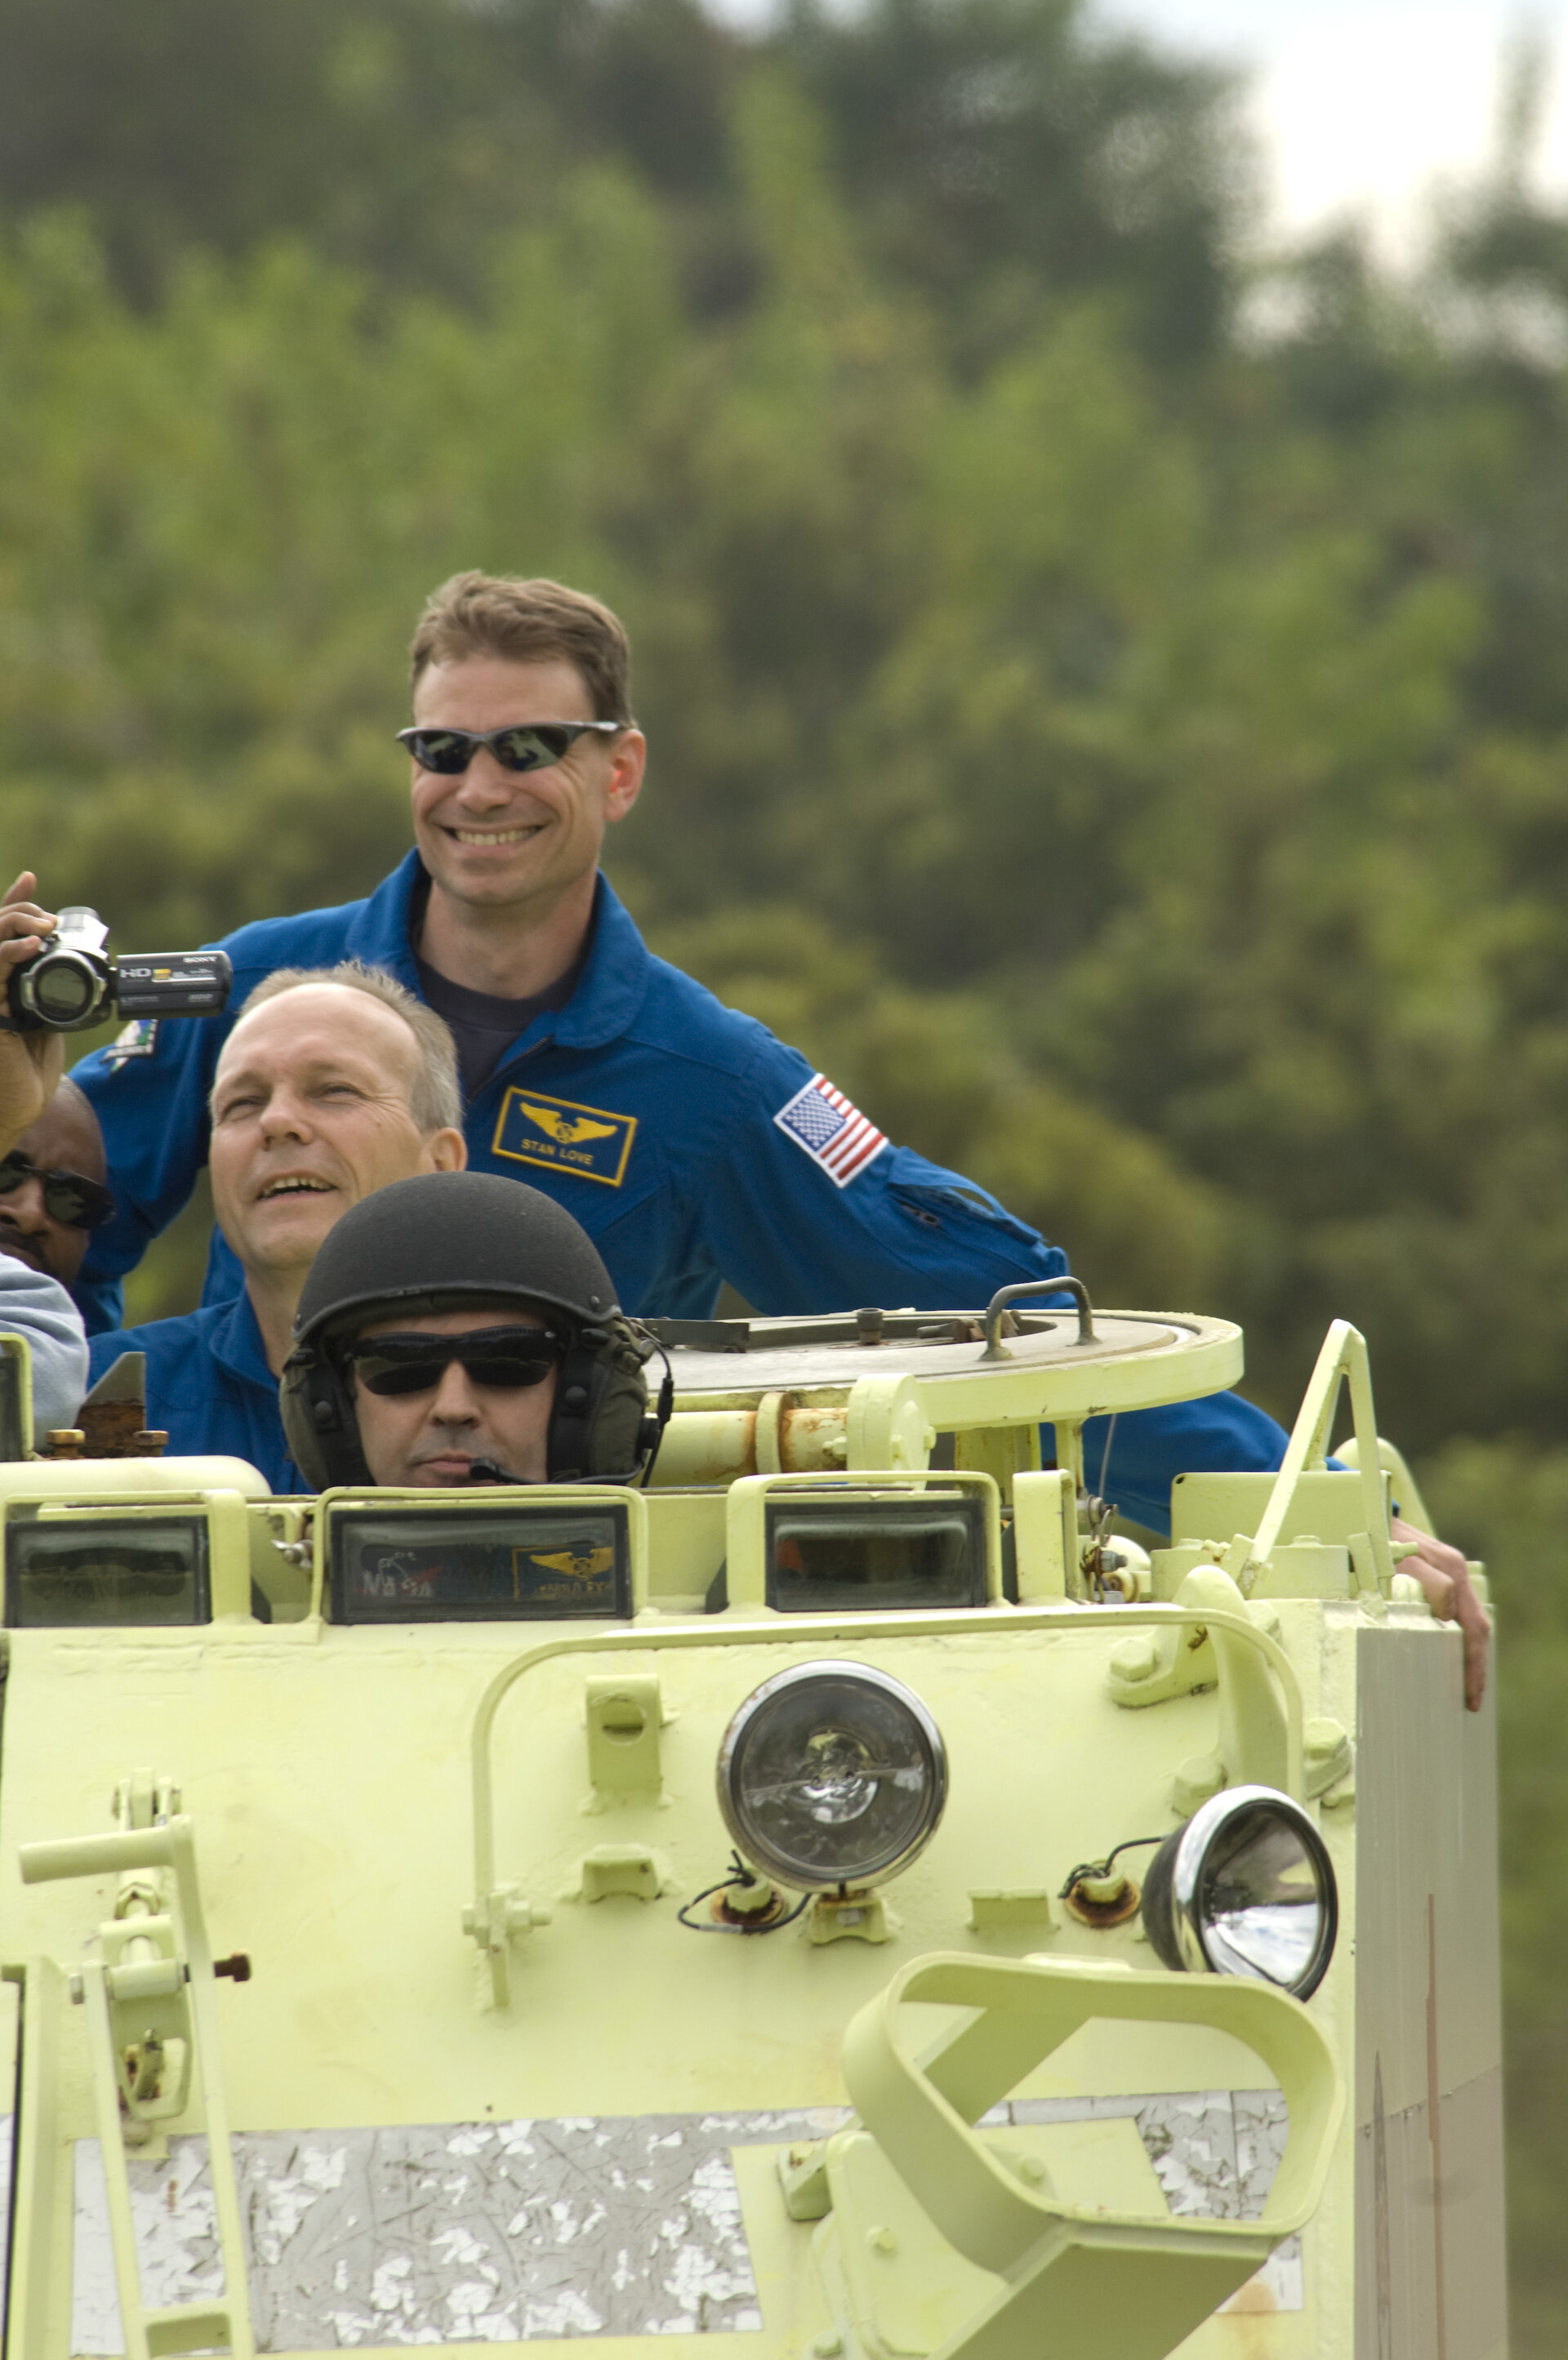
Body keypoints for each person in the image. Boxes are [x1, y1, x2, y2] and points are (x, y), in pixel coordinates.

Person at [58, 577, 1489, 1701]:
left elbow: (1012, 1335)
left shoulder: (712, 1081)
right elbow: (51, 1244)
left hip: (557, 1601)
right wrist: (125, 1447)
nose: (478, 786)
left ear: (618, 773)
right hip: (224, 1525)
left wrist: (1336, 1509)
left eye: (527, 748)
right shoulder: (259, 999)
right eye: (442, 749)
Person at [86, 962, 466, 1488]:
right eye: (242, 1103)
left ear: (440, 1165)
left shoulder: (532, 1394)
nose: (276, 1121)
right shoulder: (89, 1398)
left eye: (334, 1090)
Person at [280, 1171, 655, 1490]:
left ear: (584, 1395)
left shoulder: (695, 1572)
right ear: (331, 1404)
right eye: (399, 1362)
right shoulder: (249, 1570)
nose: (453, 1408)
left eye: (508, 1358)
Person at [0, 874, 91, 1436]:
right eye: (5, 1168)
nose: (31, 1212)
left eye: (72, 1198)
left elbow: (39, 1375)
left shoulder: (40, 1321)